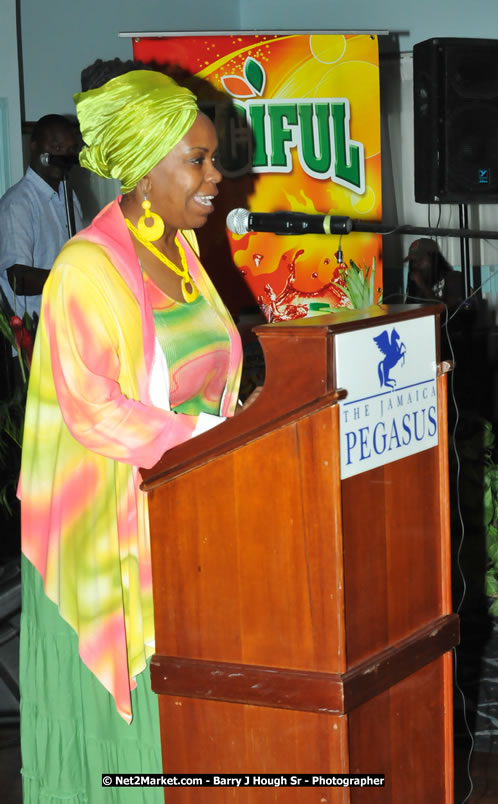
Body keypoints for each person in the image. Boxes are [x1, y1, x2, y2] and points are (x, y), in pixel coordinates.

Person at [18, 63, 243, 802]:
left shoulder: (182, 251)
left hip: (182, 515)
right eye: (198, 161)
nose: (216, 177)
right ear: (145, 171)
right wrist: (210, 440)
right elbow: (96, 410)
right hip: (106, 546)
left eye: (213, 160)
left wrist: (236, 428)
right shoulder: (84, 268)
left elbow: (211, 378)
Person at [0, 114, 83, 320]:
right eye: (56, 147)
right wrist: (74, 277)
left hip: (71, 321)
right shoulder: (18, 202)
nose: (63, 155)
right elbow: (18, 278)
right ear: (34, 145)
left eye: (70, 150)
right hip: (35, 329)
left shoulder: (70, 196)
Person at [404, 237, 465, 309]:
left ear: (434, 259)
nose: (415, 265)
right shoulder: (416, 286)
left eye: (420, 259)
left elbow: (451, 310)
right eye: (412, 261)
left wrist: (423, 286)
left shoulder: (454, 277)